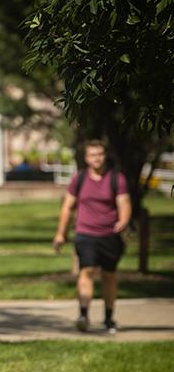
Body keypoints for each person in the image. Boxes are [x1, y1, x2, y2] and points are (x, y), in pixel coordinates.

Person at [53, 139, 131, 333]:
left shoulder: (116, 178)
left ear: (105, 156)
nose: (96, 158)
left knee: (109, 275)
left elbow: (124, 203)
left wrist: (123, 220)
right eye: (92, 155)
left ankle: (108, 318)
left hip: (110, 235)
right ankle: (84, 315)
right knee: (86, 271)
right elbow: (67, 207)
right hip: (85, 234)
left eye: (100, 154)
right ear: (86, 158)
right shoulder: (79, 179)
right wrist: (61, 233)